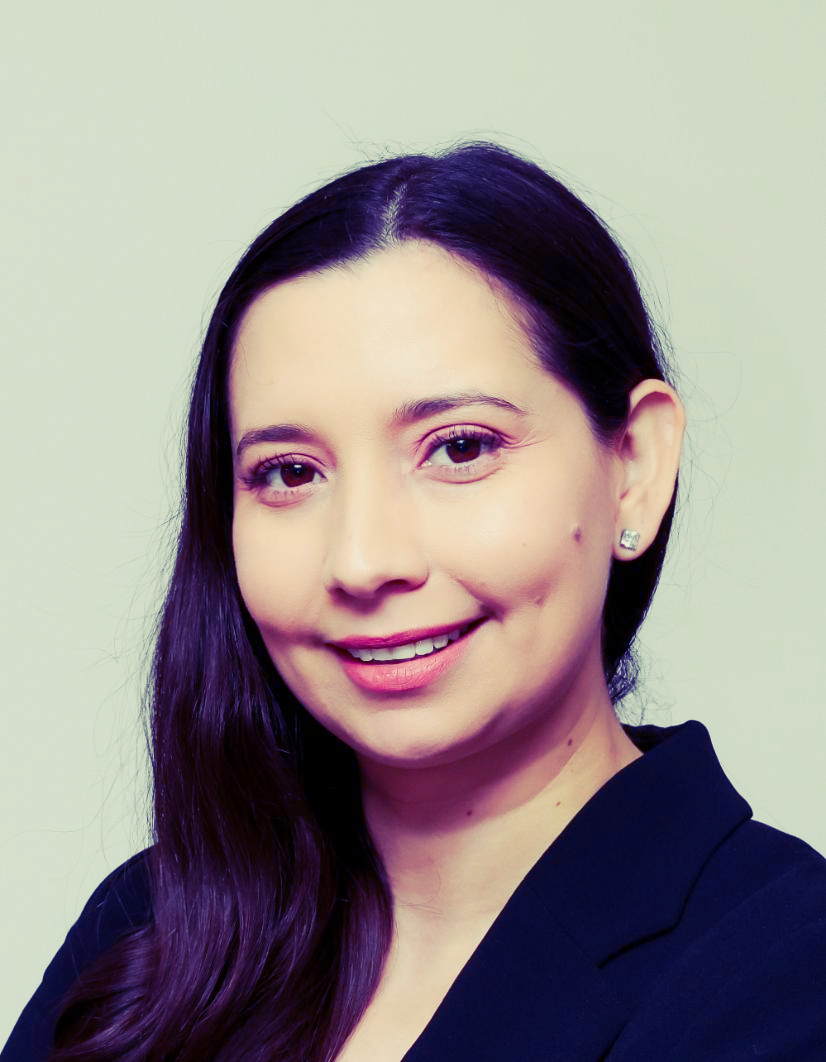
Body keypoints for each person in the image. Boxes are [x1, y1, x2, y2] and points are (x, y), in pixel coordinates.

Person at [3, 142, 825, 1062]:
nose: (363, 559)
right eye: (288, 472)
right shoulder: (147, 932)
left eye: (461, 448)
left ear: (636, 467)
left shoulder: (788, 966)